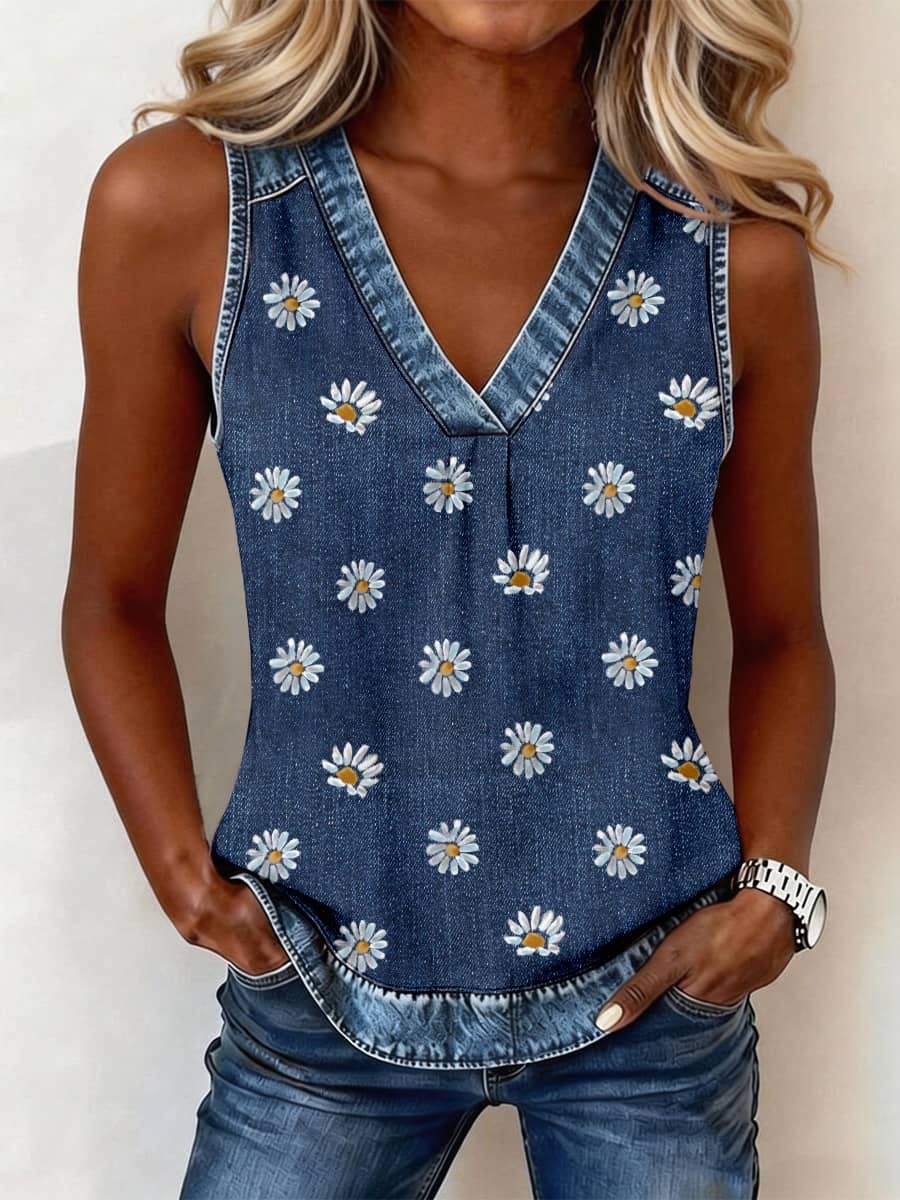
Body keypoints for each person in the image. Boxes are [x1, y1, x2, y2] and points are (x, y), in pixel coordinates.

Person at [63, 1, 838, 1196]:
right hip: (317, 987)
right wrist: (187, 885)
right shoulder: (192, 212)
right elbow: (111, 598)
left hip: (655, 1003)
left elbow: (784, 634)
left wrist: (775, 897)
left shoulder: (732, 256)